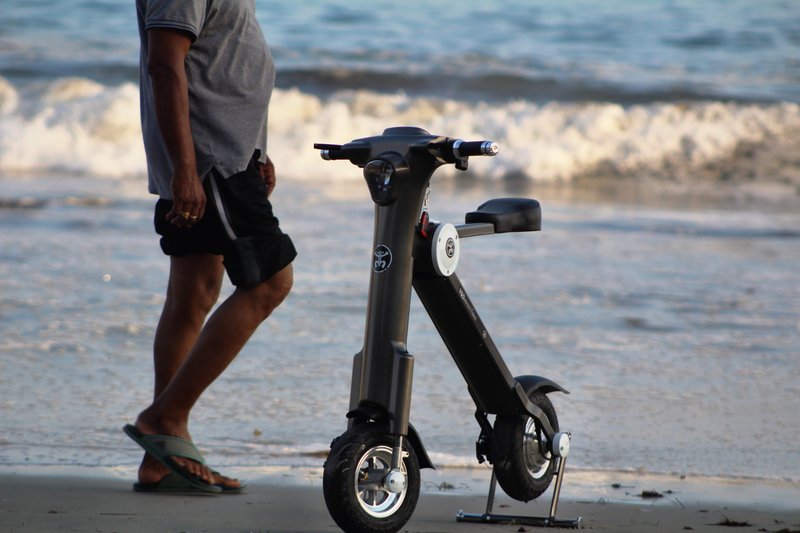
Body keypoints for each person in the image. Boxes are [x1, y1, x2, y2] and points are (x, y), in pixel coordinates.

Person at [124, 0, 296, 494]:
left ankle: (161, 457)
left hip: (227, 159)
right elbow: (165, 62)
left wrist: (257, 151)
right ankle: (166, 417)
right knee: (270, 281)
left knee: (194, 293)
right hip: (209, 162)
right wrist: (185, 168)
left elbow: (221, 60)